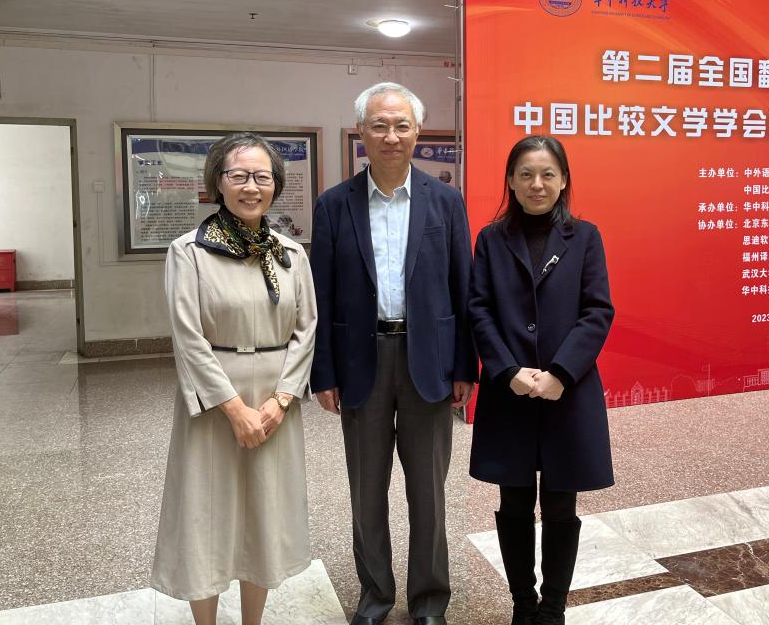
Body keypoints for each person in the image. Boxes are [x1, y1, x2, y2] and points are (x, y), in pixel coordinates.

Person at [309, 82, 476, 625]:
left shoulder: (446, 201)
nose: (391, 135)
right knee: (367, 489)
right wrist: (323, 372)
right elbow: (321, 294)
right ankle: (375, 596)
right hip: (361, 361)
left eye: (401, 125)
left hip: (429, 360)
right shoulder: (334, 205)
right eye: (379, 125)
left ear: (417, 132)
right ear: (361, 131)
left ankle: (429, 600)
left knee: (429, 491)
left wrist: (465, 366)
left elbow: (463, 288)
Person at [151, 132, 317, 625]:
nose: (251, 187)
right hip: (214, 402)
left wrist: (282, 399)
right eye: (239, 175)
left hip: (273, 401)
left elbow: (306, 329)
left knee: (264, 515)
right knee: (206, 513)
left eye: (262, 177)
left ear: (276, 185)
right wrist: (233, 408)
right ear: (217, 183)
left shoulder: (290, 253)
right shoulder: (188, 252)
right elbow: (188, 336)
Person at [468, 136, 614, 625]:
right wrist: (507, 371)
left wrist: (561, 373)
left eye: (548, 174)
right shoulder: (491, 239)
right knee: (513, 502)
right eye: (526, 174)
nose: (537, 184)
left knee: (560, 503)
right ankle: (523, 606)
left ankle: (552, 611)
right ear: (510, 181)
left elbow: (597, 311)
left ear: (564, 180)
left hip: (566, 393)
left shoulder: (585, 237)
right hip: (509, 392)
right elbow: (479, 310)